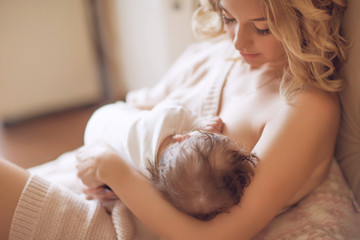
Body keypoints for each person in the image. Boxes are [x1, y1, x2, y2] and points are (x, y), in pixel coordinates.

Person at [1, 0, 358, 239]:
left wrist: (118, 173)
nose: (238, 41)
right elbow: (133, 112)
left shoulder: (303, 106)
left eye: (262, 28)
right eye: (229, 18)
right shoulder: (214, 56)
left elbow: (219, 236)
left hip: (128, 227)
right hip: (94, 183)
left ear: (304, 19)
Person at [82, 101, 256, 221]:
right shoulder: (145, 180)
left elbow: (173, 103)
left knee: (140, 111)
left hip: (103, 119)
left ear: (183, 137)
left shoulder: (171, 116)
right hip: (95, 139)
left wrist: (200, 123)